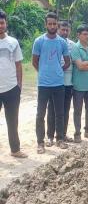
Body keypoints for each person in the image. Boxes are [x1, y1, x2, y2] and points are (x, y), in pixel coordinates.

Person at [32, 12, 70, 154]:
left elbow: (67, 62)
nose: (52, 26)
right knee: (40, 114)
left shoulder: (62, 42)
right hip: (43, 84)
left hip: (58, 84)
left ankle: (59, 139)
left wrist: (58, 71)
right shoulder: (39, 41)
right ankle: (40, 142)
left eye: (55, 24)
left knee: (59, 113)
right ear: (46, 24)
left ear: (57, 24)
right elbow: (34, 61)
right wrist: (43, 72)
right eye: (50, 23)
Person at [0, 9, 27, 158]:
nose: (0, 26)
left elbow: (18, 65)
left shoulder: (13, 42)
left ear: (6, 23)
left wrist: (19, 85)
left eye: (2, 23)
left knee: (12, 121)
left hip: (11, 88)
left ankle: (15, 150)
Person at [46, 20, 75, 144]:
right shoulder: (52, 43)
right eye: (62, 29)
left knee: (65, 109)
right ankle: (50, 136)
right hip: (54, 83)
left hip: (68, 83)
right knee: (52, 109)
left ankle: (62, 135)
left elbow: (73, 62)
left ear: (70, 31)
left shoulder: (73, 45)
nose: (64, 32)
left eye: (67, 30)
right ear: (58, 29)